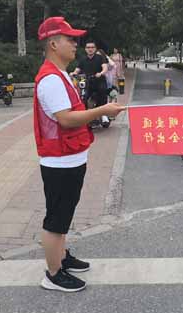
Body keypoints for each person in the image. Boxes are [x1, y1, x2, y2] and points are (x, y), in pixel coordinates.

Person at [34, 17, 125, 292]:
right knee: (56, 219)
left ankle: (62, 256)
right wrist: (102, 111)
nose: (76, 44)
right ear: (53, 44)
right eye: (70, 39)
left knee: (65, 214)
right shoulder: (51, 79)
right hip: (59, 160)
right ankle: (53, 274)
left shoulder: (61, 74)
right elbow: (65, 119)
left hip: (70, 157)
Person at [72, 41, 110, 124]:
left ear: (95, 49)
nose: (90, 49)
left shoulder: (100, 58)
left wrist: (101, 73)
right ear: (85, 49)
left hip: (99, 81)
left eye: (92, 47)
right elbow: (77, 70)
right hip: (87, 82)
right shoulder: (83, 59)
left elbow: (105, 68)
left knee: (102, 92)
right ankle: (86, 116)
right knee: (83, 97)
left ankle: (104, 115)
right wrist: (73, 73)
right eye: (88, 47)